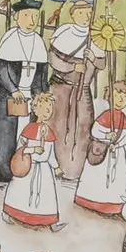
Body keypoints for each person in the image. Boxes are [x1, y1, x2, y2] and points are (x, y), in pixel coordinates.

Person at [0, 7, 48, 189]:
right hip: (9, 96)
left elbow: (41, 75)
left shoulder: (38, 42)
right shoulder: (11, 38)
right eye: (26, 15)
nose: (31, 20)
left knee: (27, 133)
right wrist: (13, 89)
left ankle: (24, 169)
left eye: (35, 16)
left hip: (30, 97)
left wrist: (40, 95)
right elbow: (1, 68)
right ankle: (1, 171)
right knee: (4, 135)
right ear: (17, 17)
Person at [46, 19, 105, 183]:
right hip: (61, 90)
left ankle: (74, 170)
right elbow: (53, 59)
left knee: (82, 129)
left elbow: (102, 63)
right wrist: (72, 67)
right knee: (58, 127)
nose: (84, 16)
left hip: (82, 92)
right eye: (80, 12)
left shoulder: (95, 37)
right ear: (73, 14)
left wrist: (93, 58)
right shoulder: (64, 33)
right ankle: (54, 166)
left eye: (87, 13)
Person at [74, 81, 126, 217]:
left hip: (117, 154)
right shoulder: (106, 116)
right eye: (118, 95)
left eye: (124, 96)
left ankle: (114, 204)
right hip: (103, 153)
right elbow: (95, 130)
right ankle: (91, 200)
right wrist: (106, 136)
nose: (121, 99)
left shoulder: (123, 118)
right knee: (99, 177)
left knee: (117, 178)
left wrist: (117, 143)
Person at [2, 91, 61, 229]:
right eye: (44, 108)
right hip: (28, 165)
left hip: (44, 169)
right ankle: (10, 212)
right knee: (20, 190)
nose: (47, 112)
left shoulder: (49, 132)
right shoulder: (29, 129)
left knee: (46, 194)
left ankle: (51, 221)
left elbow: (51, 154)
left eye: (49, 109)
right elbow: (20, 149)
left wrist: (56, 167)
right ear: (35, 109)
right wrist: (33, 150)